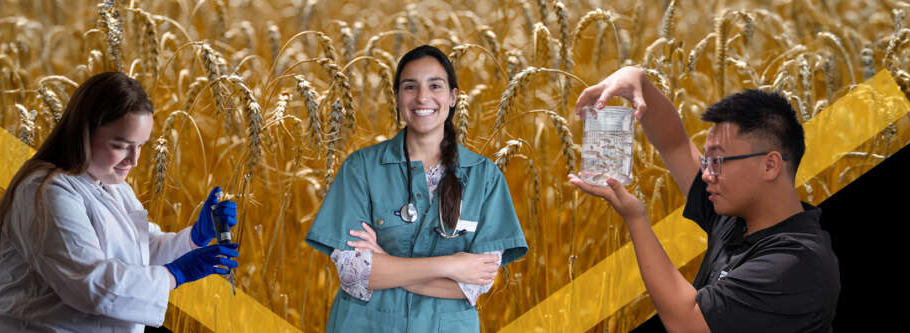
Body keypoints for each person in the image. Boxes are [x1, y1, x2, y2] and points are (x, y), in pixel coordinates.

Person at [568, 66, 840, 332]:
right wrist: (638, 80)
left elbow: (688, 323)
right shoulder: (736, 218)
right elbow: (674, 144)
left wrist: (636, 219)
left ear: (770, 165)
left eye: (718, 161)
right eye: (706, 161)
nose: (707, 174)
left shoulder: (798, 263)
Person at [0, 72, 240, 332]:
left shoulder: (109, 183)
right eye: (120, 145)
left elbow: (139, 252)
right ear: (83, 133)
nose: (134, 160)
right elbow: (90, 284)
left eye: (140, 145)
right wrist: (176, 274)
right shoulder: (45, 192)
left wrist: (194, 239)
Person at [304, 45, 528, 332]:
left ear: (453, 97)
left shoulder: (485, 177)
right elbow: (355, 273)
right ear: (397, 97)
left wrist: (385, 263)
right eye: (410, 87)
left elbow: (476, 284)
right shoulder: (361, 168)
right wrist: (452, 265)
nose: (422, 97)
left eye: (435, 86)